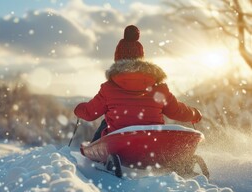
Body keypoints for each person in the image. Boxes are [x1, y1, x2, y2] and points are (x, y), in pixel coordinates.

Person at [74, 25, 202, 142]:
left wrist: (79, 109)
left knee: (105, 123)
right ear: (141, 58)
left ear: (117, 59)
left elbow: (89, 113)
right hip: (153, 142)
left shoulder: (108, 89)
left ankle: (96, 153)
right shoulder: (159, 89)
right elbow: (177, 111)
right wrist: (194, 113)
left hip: (119, 143)